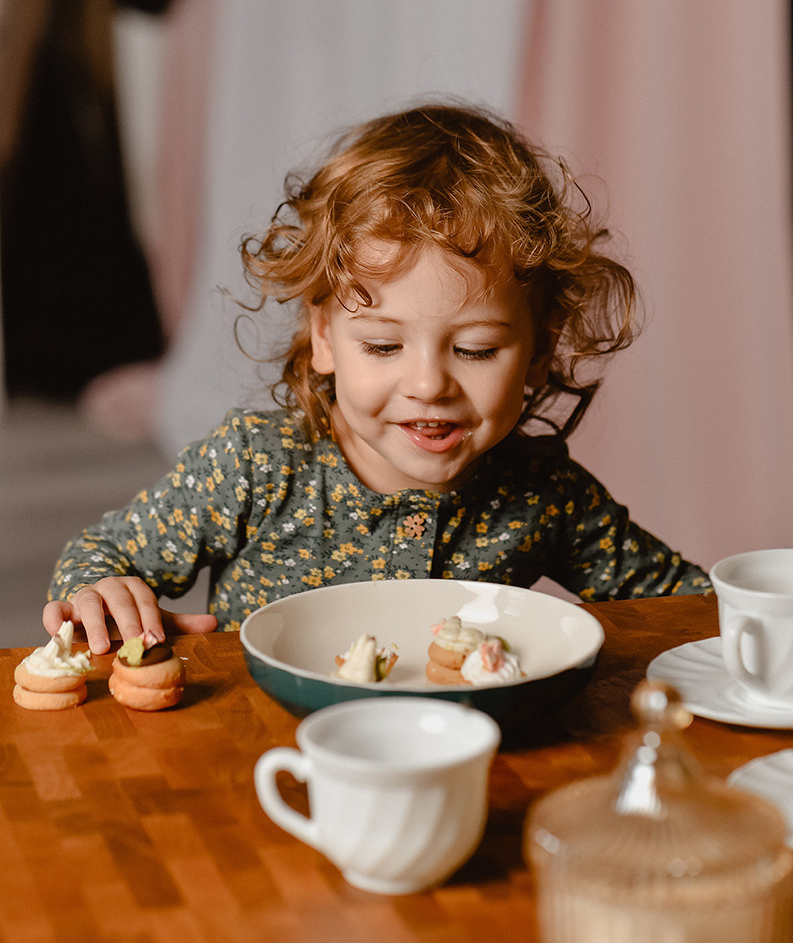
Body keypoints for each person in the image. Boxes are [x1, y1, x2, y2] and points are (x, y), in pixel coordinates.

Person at [45, 102, 710, 653]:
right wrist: (100, 591)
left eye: (475, 349)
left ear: (539, 351)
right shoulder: (255, 464)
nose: (428, 384)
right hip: (262, 762)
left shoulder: (545, 494)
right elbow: (101, 555)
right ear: (326, 337)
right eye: (385, 345)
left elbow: (688, 609)